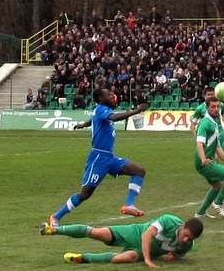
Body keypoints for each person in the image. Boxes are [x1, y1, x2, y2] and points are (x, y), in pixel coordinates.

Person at [47, 88, 149, 228]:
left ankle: (129, 204)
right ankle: (56, 216)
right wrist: (137, 111)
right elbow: (114, 117)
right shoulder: (102, 109)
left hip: (109, 157)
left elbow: (93, 119)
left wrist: (83, 124)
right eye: (108, 94)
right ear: (100, 98)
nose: (111, 96)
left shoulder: (99, 110)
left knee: (139, 171)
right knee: (85, 193)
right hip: (98, 158)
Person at [39, 214, 203, 268]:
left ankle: (82, 258)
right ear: (182, 227)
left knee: (124, 259)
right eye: (186, 234)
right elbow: (147, 235)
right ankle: (52, 230)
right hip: (134, 233)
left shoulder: (188, 245)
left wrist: (172, 256)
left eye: (190, 238)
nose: (186, 239)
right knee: (98, 233)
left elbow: (176, 253)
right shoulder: (169, 221)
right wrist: (147, 259)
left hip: (139, 250)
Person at [190, 86, 224, 197]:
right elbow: (193, 124)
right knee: (215, 158)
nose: (211, 96)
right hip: (209, 138)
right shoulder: (200, 109)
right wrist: (197, 136)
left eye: (212, 94)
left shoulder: (220, 105)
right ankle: (217, 179)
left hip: (220, 134)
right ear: (204, 96)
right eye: (208, 95)